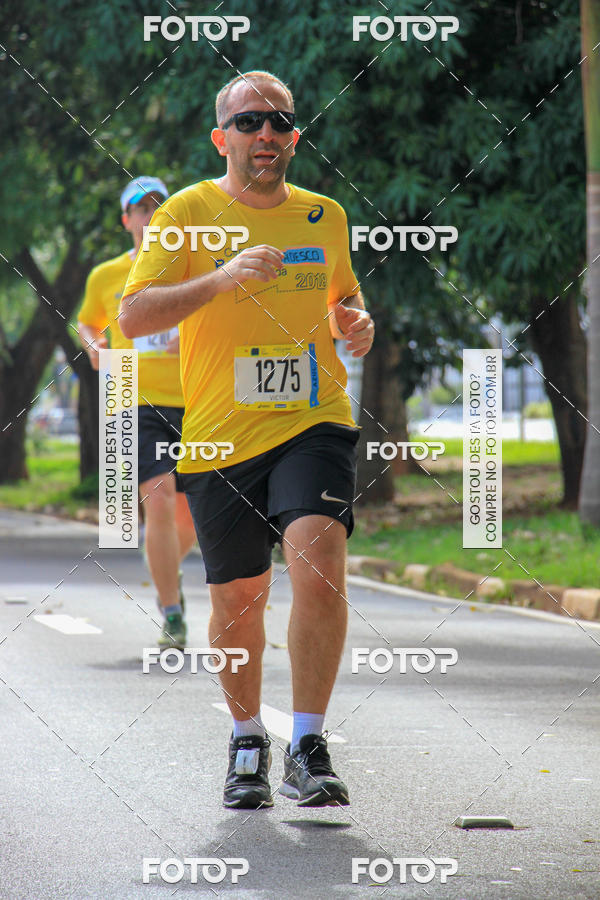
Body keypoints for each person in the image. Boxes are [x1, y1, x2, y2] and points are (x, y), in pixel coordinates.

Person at [119, 72, 374, 809]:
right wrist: (224, 277)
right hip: (220, 438)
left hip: (313, 419)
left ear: (294, 136)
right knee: (239, 600)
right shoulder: (186, 213)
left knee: (320, 556)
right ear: (221, 136)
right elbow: (134, 315)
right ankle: (245, 739)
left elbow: (343, 295)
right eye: (251, 121)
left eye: (281, 122)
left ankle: (309, 742)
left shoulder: (325, 215)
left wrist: (355, 320)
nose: (267, 134)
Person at [78, 176, 197, 650]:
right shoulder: (106, 276)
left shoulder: (194, 268)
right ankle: (172, 614)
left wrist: (187, 336)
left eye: (157, 208)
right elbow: (86, 320)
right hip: (133, 395)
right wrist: (93, 344)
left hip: (196, 398)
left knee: (189, 521)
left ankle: (169, 576)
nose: (149, 217)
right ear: (127, 220)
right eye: (140, 209)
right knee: (159, 498)